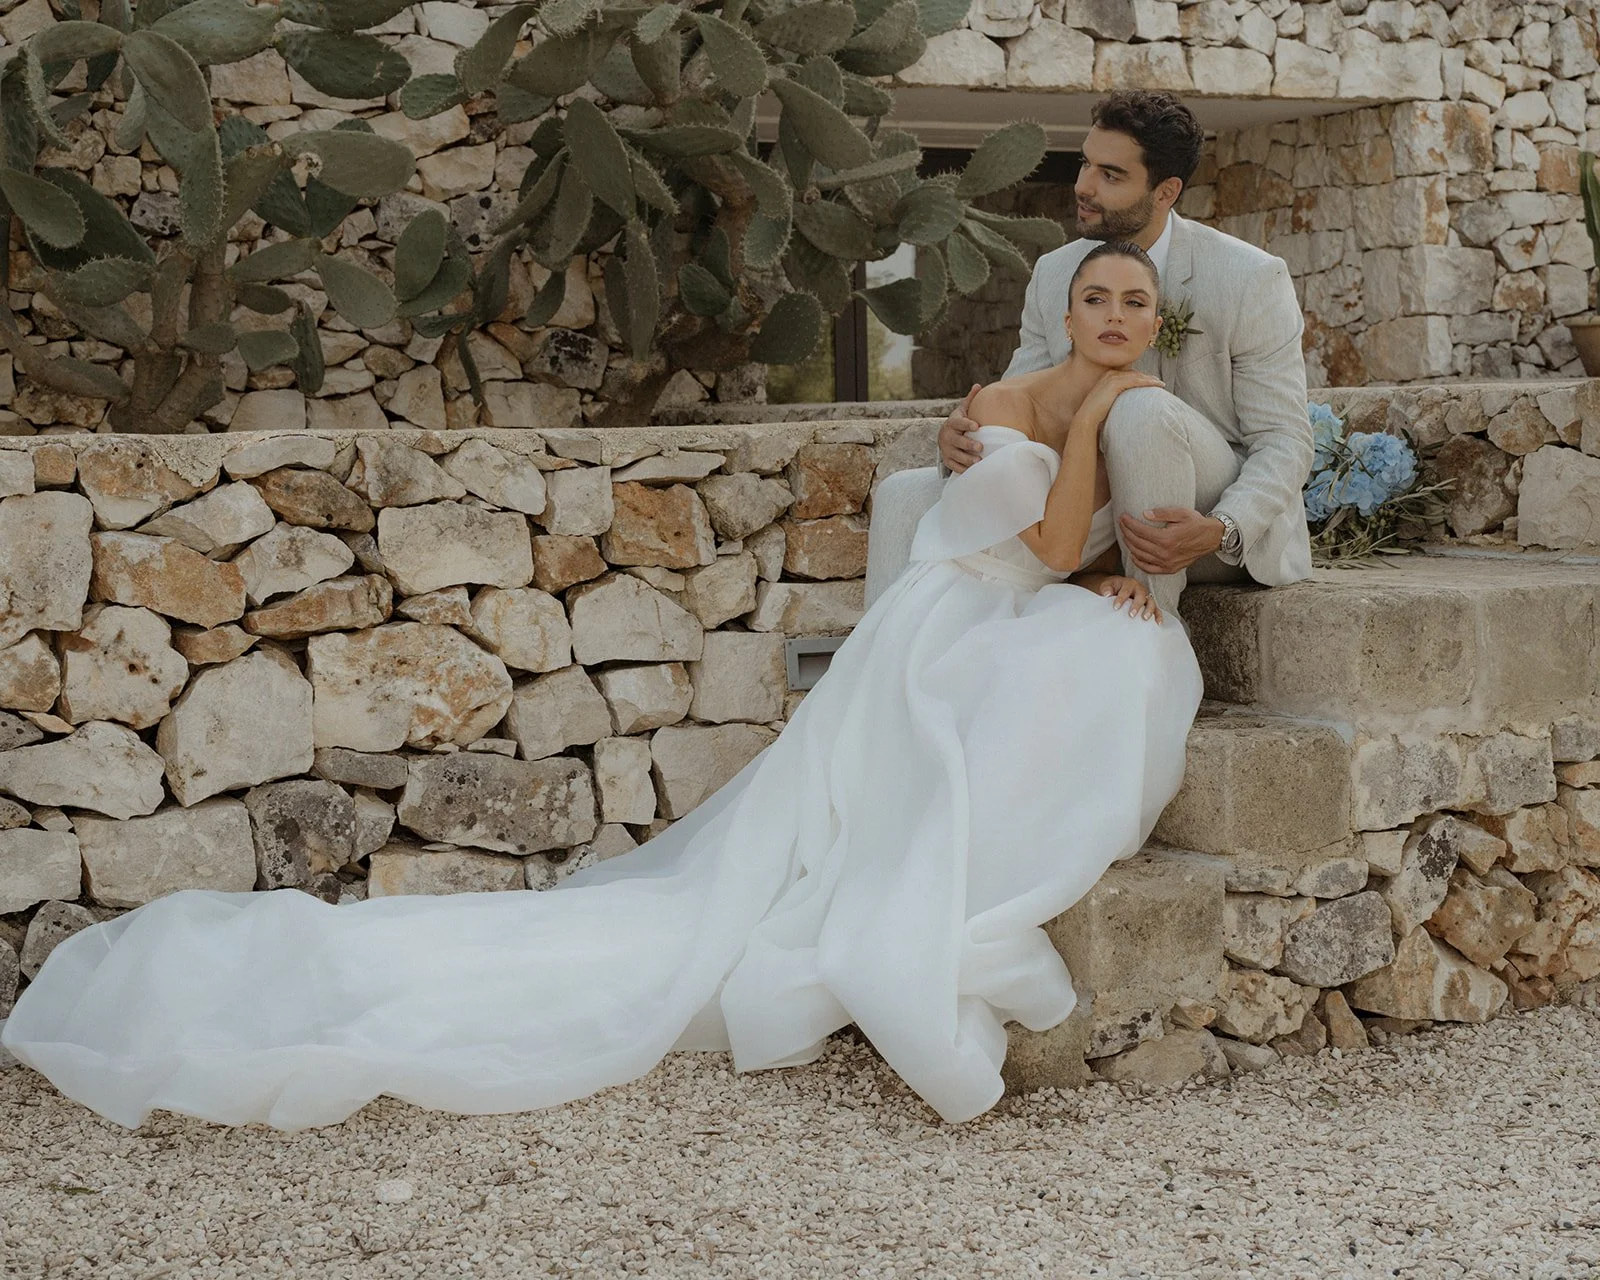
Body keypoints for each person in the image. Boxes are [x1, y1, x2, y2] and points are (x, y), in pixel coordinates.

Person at [1, 244, 1203, 1133]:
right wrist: (1099, 416)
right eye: (1096, 299)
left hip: (988, 608)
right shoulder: (1000, 405)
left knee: (1105, 648)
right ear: (1065, 312)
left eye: (1134, 304)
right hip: (939, 622)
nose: (1114, 317)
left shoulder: (1129, 409)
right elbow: (1048, 540)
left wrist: (1110, 560)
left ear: (1157, 318)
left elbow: (1060, 552)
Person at [870, 90, 1314, 621]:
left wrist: (1222, 527)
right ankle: (886, 658)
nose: (1083, 185)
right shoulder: (1056, 272)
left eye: (1111, 175)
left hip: (1205, 520)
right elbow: (1021, 398)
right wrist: (965, 439)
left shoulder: (1249, 277)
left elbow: (1284, 439)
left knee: (1140, 408)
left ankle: (1149, 634)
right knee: (904, 495)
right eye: (1085, 163)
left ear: (1165, 192)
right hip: (1089, 502)